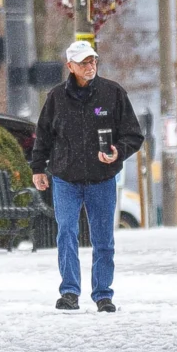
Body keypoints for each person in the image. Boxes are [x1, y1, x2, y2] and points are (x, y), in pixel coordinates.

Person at [30, 40, 144, 312]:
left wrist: (118, 152)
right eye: (83, 62)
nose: (90, 66)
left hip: (102, 179)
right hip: (65, 179)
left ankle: (103, 294)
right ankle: (69, 291)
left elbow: (134, 135)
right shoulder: (56, 98)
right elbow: (43, 135)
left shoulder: (113, 93)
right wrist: (38, 168)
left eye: (93, 60)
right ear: (70, 66)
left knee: (103, 239)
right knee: (66, 233)